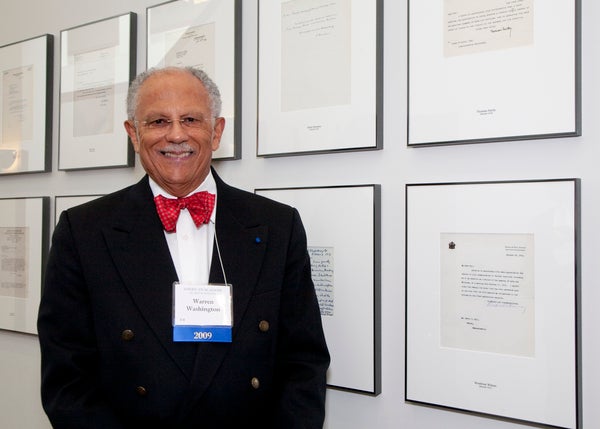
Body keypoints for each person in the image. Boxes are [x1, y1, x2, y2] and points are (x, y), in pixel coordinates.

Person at [37, 66, 330, 428]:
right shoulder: (82, 232)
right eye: (158, 121)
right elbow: (67, 379)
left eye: (190, 119)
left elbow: (303, 363)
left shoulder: (277, 226)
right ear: (133, 134)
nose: (176, 135)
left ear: (216, 131)